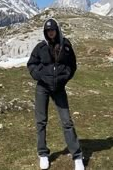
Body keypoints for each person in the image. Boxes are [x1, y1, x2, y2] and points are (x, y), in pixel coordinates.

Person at [27, 18, 84, 170]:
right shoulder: (40, 47)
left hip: (59, 89)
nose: (50, 33)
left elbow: (72, 65)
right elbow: (31, 64)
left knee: (67, 121)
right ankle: (43, 154)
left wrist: (65, 77)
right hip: (42, 88)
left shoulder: (65, 45)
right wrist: (40, 76)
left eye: (52, 30)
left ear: (57, 30)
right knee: (41, 121)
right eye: (47, 31)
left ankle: (77, 156)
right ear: (45, 32)